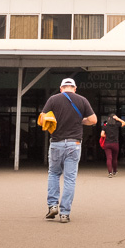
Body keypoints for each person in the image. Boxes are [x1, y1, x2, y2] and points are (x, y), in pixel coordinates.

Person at [41, 78, 96, 223]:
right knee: (70, 179)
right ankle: (65, 213)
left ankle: (52, 205)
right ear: (75, 88)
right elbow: (93, 120)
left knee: (53, 174)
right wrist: (81, 121)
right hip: (74, 143)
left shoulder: (53, 99)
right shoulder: (82, 100)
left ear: (61, 88)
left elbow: (41, 119)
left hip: (56, 143)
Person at [101, 113, 125, 177]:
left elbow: (102, 135)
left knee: (109, 158)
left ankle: (110, 173)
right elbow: (124, 123)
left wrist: (107, 136)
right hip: (115, 144)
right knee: (114, 158)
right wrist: (117, 118)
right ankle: (114, 171)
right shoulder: (117, 125)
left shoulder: (105, 126)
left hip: (107, 143)